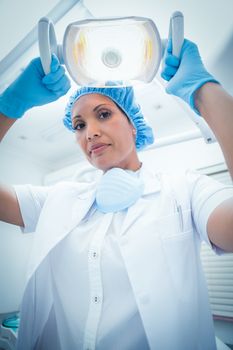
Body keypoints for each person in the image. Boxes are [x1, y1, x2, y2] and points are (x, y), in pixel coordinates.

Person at [0, 36, 233, 350]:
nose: (90, 132)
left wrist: (205, 91)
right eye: (78, 125)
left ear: (133, 126)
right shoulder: (59, 199)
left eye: (104, 114)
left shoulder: (184, 188)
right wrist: (9, 105)